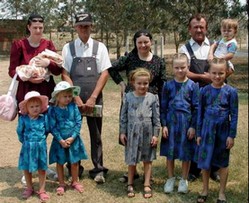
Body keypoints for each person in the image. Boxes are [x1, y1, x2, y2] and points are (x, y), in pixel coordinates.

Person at [8, 13, 61, 184]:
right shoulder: (19, 45)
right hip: (27, 92)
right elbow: (12, 70)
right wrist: (28, 76)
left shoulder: (48, 44)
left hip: (45, 92)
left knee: (43, 130)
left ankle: (42, 166)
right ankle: (29, 169)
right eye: (35, 27)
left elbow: (58, 69)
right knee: (29, 131)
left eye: (41, 28)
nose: (38, 31)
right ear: (29, 27)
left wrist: (48, 64)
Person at [108, 29, 167, 183]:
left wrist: (161, 100)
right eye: (139, 42)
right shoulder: (130, 58)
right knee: (130, 136)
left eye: (146, 42)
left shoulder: (159, 61)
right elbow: (111, 68)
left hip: (150, 102)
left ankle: (148, 174)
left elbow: (162, 82)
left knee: (148, 138)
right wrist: (121, 83)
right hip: (132, 100)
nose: (143, 45)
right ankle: (131, 172)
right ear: (135, 43)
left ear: (151, 42)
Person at [61, 12, 111, 183]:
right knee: (71, 133)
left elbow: (105, 73)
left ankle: (98, 169)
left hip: (94, 99)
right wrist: (75, 98)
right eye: (81, 25)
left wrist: (93, 97)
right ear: (75, 27)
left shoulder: (100, 47)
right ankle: (74, 168)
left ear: (91, 26)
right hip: (73, 100)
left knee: (96, 135)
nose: (84, 28)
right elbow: (65, 74)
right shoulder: (68, 48)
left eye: (87, 25)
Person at [179, 13, 220, 182]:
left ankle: (214, 168)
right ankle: (194, 168)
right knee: (194, 129)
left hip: (214, 94)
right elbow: (184, 71)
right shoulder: (185, 49)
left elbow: (226, 67)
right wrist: (204, 77)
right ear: (189, 29)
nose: (199, 30)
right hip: (193, 95)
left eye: (201, 27)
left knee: (214, 130)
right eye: (195, 27)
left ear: (206, 28)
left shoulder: (216, 47)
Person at [195, 58, 238, 203]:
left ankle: (221, 193)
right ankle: (205, 189)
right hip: (207, 131)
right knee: (205, 161)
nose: (217, 76)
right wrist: (199, 133)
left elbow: (235, 114)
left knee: (223, 162)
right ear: (208, 73)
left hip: (223, 131)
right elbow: (200, 113)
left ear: (226, 72)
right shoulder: (204, 91)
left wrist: (231, 135)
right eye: (214, 73)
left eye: (221, 73)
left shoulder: (231, 92)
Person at [160, 53, 199, 194]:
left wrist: (193, 126)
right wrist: (164, 124)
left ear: (187, 67)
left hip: (186, 124)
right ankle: (170, 178)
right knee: (170, 152)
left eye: (183, 67)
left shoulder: (193, 86)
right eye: (177, 67)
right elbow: (163, 106)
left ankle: (183, 179)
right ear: (172, 68)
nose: (180, 70)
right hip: (171, 123)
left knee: (185, 153)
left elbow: (196, 108)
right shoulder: (168, 85)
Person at [119, 68, 160, 198]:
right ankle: (130, 183)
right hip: (132, 133)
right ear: (133, 83)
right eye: (139, 83)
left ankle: (147, 183)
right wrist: (122, 132)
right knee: (132, 159)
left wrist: (155, 134)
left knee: (147, 160)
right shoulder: (128, 97)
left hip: (147, 133)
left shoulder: (153, 98)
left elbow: (156, 119)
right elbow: (123, 116)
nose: (142, 86)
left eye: (145, 83)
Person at [48, 81, 88, 195]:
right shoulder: (53, 109)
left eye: (70, 96)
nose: (68, 99)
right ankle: (61, 183)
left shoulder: (73, 106)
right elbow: (52, 126)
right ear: (57, 97)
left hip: (73, 140)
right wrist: (60, 140)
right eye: (64, 96)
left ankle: (75, 181)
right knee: (60, 162)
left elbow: (78, 122)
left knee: (74, 161)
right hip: (59, 140)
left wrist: (73, 137)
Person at [17, 91, 50, 202]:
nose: (35, 108)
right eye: (32, 106)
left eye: (37, 106)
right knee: (27, 168)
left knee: (42, 169)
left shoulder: (44, 118)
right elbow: (19, 132)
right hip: (27, 147)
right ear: (26, 108)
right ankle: (29, 188)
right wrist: (26, 142)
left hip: (40, 147)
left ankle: (42, 190)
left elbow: (47, 130)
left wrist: (40, 140)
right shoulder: (23, 119)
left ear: (41, 106)